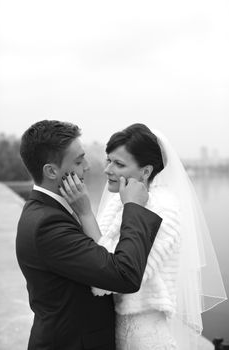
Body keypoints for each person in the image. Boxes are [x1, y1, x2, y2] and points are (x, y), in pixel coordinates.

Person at [61, 123, 227, 350]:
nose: (107, 169)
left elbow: (112, 278)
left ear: (146, 171)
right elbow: (101, 255)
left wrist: (85, 213)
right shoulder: (120, 202)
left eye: (118, 164)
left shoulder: (162, 210)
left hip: (143, 338)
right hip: (116, 329)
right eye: (108, 160)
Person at [16, 120, 163, 350]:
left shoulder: (48, 209)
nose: (88, 166)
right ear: (52, 171)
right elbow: (124, 275)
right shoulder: (48, 224)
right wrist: (135, 208)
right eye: (78, 160)